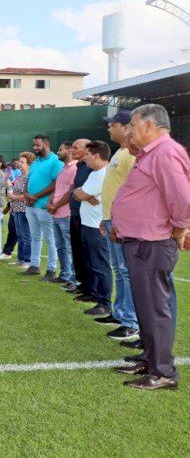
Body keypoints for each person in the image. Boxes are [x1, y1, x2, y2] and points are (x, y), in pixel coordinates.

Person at [112, 104, 190, 391]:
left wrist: (181, 228)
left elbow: (182, 197)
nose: (129, 131)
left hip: (152, 243)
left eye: (132, 125)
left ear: (149, 125)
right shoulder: (152, 153)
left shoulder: (166, 152)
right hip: (142, 241)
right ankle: (150, 358)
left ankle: (163, 372)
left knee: (155, 308)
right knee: (145, 306)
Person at [98, 110, 139, 341]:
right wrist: (106, 218)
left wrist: (118, 220)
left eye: (112, 124)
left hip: (121, 221)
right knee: (119, 269)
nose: (108, 128)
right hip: (111, 219)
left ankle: (131, 321)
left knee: (126, 271)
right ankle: (120, 314)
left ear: (125, 127)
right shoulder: (120, 152)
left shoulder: (130, 154)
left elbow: (131, 189)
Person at [73, 141, 112, 317]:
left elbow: (80, 194)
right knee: (90, 262)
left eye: (87, 155)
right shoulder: (95, 173)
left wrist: (84, 195)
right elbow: (78, 192)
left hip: (97, 227)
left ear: (96, 155)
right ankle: (93, 293)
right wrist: (85, 195)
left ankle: (104, 303)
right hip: (88, 224)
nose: (85, 158)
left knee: (100, 265)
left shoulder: (102, 174)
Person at [20, 135, 63, 279]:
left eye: (37, 145)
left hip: (44, 207)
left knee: (50, 238)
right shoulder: (35, 161)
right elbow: (28, 179)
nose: (35, 148)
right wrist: (26, 193)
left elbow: (55, 183)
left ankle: (51, 269)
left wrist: (36, 196)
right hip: (31, 206)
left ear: (46, 144)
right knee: (35, 237)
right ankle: (34, 265)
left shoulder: (55, 161)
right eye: (34, 145)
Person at [45, 141, 78, 286]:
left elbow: (71, 191)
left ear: (70, 151)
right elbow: (57, 188)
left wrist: (56, 205)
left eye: (60, 149)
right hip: (56, 213)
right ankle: (64, 274)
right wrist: (50, 203)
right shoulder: (63, 168)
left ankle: (73, 278)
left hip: (66, 213)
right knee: (60, 246)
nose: (58, 152)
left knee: (70, 246)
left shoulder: (75, 168)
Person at [67, 138, 93, 296]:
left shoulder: (92, 168)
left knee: (86, 253)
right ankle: (82, 284)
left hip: (86, 217)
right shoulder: (80, 166)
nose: (72, 150)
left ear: (86, 149)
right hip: (75, 214)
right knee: (77, 251)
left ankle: (91, 289)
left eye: (76, 148)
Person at [7, 152, 34, 268]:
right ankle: (20, 258)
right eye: (19, 161)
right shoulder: (19, 176)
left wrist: (14, 197)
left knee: (26, 236)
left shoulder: (30, 177)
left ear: (29, 164)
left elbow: (28, 194)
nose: (19, 164)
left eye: (22, 162)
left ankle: (28, 261)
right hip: (16, 209)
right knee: (19, 235)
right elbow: (12, 189)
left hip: (24, 209)